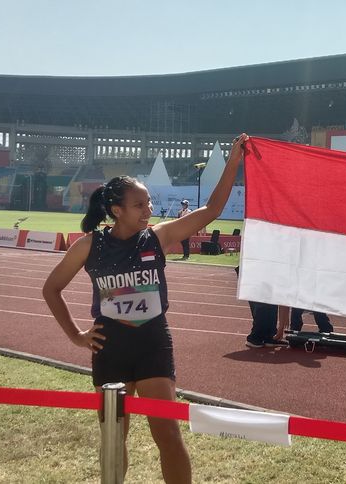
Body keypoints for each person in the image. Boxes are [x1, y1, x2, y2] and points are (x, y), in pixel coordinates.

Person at [42, 134, 248, 483]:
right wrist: (76, 336)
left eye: (149, 203)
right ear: (117, 210)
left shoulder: (158, 236)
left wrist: (233, 163)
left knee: (167, 435)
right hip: (111, 348)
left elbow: (211, 210)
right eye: (140, 205)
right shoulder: (88, 246)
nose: (149, 209)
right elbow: (51, 289)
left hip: (152, 342)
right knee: (114, 438)